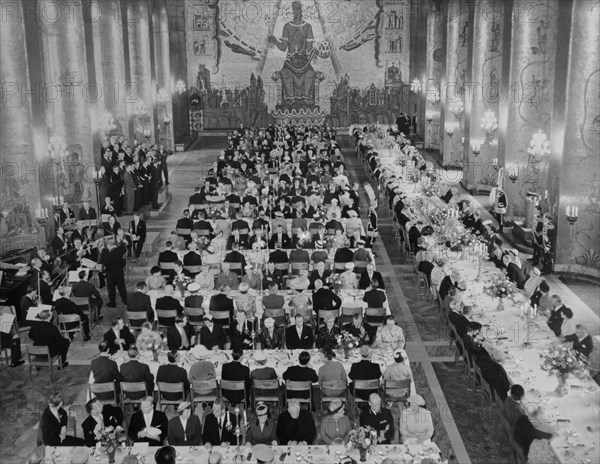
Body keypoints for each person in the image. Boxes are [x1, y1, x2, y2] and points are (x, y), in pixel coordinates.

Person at [99, 238, 128, 307]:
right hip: (119, 273)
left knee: (111, 289)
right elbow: (124, 249)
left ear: (108, 245)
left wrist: (103, 271)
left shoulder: (104, 251)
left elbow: (102, 262)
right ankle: (126, 301)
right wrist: (121, 241)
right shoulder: (119, 250)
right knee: (122, 288)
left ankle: (113, 303)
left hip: (110, 274)